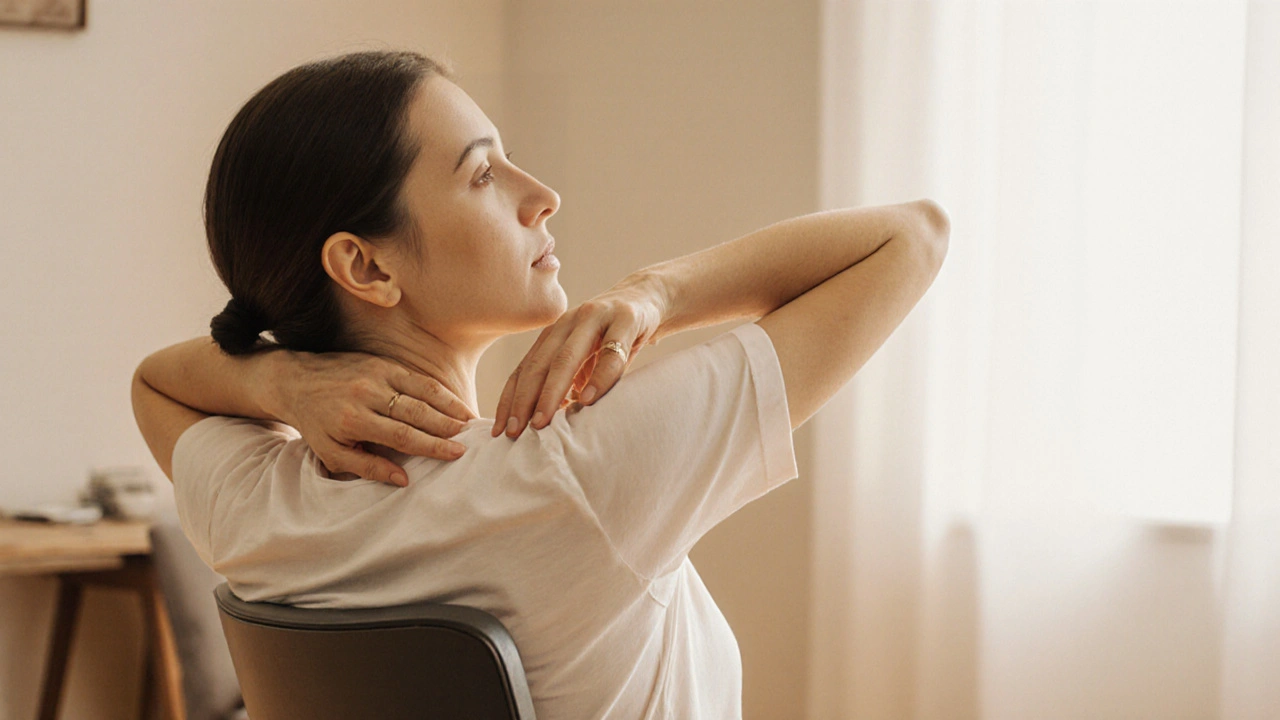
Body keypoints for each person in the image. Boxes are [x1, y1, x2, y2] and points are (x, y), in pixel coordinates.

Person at [131, 50, 949, 719]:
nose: (543, 196)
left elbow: (156, 385)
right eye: (484, 175)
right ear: (367, 265)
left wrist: (281, 383)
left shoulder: (254, 506)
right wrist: (658, 292)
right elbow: (912, 239)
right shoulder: (574, 472)